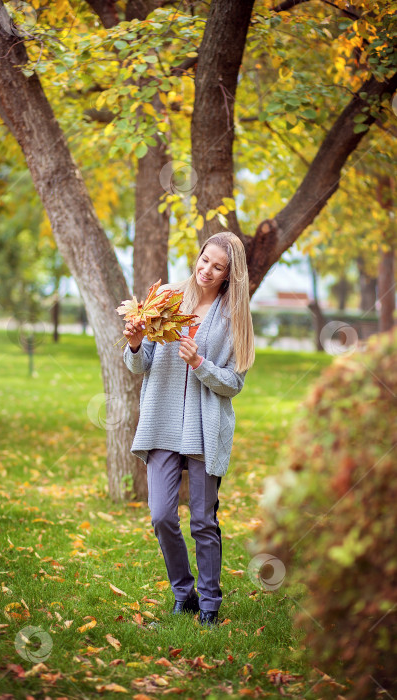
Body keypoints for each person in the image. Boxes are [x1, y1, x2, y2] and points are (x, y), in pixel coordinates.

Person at [122, 232, 255, 626]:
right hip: (161, 421)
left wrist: (200, 364)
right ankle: (185, 593)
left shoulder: (233, 318)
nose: (206, 270)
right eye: (204, 260)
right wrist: (132, 344)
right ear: (197, 257)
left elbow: (234, 383)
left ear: (230, 274)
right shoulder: (167, 299)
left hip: (203, 426)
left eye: (218, 266)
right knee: (162, 515)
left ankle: (210, 604)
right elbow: (140, 364)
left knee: (202, 520)